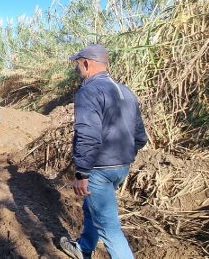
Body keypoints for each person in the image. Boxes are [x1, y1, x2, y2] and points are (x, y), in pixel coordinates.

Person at [59, 44, 148, 259]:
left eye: (78, 65)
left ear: (87, 64)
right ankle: (84, 247)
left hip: (99, 170)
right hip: (121, 167)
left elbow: (88, 134)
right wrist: (124, 156)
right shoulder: (126, 91)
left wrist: (82, 173)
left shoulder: (88, 91)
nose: (77, 69)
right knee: (93, 208)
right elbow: (140, 136)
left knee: (110, 229)